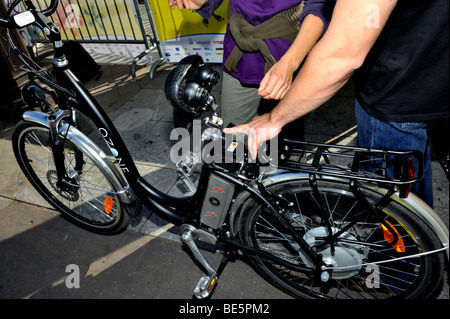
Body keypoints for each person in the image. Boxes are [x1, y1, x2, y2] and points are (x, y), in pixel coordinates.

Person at [224, 0, 449, 208]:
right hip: (426, 79)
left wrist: (274, 119)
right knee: (413, 207)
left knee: (394, 219)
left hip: (396, 96)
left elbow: (340, 56)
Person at [169, 0, 335, 132]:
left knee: (285, 138)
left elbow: (320, 7)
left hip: (287, 52)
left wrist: (290, 63)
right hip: (239, 56)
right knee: (234, 140)